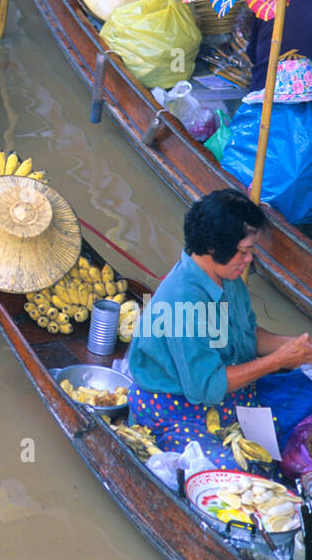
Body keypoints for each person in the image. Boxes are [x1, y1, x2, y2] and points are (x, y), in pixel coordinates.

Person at [128, 190, 312, 469]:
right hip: (177, 407)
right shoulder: (182, 303)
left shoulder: (227, 276)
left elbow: (247, 335)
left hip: (230, 392)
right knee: (240, 473)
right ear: (214, 247)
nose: (249, 259)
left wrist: (298, 347)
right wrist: (278, 361)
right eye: (244, 251)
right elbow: (207, 386)